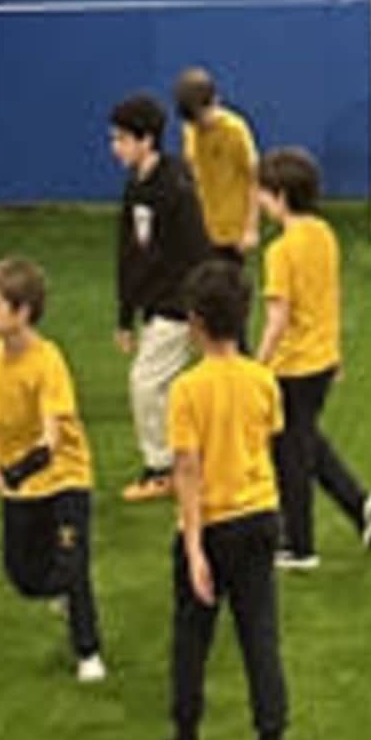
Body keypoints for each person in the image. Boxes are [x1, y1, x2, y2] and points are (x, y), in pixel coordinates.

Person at [165, 253, 288, 740]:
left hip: (212, 521)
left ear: (195, 321)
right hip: (260, 514)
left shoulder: (187, 390)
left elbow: (188, 470)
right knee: (259, 628)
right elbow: (268, 438)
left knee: (193, 632)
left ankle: (187, 729)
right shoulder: (262, 380)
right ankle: (271, 737)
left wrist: (194, 547)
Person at [254, 149, 371, 572]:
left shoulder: (280, 252)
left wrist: (257, 366)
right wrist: (336, 351)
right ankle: (360, 503)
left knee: (291, 456)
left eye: (263, 192)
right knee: (305, 442)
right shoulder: (324, 234)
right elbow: (331, 296)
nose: (258, 200)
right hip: (322, 362)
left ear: (280, 195)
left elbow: (278, 317)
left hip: (292, 367)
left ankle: (299, 545)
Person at [0, 258, 106, 682]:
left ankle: (88, 651)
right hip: (21, 490)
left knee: (73, 564)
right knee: (24, 577)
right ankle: (62, 593)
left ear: (23, 312)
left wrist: (10, 474)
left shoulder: (48, 362)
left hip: (64, 478)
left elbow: (50, 443)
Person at [108, 97, 211, 500]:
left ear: (146, 140)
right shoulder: (137, 184)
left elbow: (196, 251)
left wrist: (196, 310)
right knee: (162, 385)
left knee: (146, 383)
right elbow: (129, 254)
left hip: (179, 306)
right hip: (157, 305)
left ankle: (161, 467)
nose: (114, 147)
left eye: (121, 139)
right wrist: (124, 315)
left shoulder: (175, 190)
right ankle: (185, 459)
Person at [173, 69, 259, 302]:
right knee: (200, 303)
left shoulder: (235, 131)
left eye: (202, 117)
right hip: (199, 230)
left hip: (231, 234)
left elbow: (254, 179)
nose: (199, 125)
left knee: (229, 305)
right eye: (193, 120)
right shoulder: (190, 130)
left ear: (215, 102)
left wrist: (250, 228)